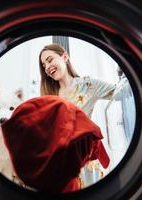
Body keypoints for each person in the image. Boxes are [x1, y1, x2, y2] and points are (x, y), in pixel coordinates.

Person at [39, 43, 117, 189]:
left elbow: (120, 92)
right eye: (44, 65)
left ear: (65, 57)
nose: (47, 67)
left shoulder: (88, 85)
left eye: (50, 60)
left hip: (86, 162)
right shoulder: (48, 97)